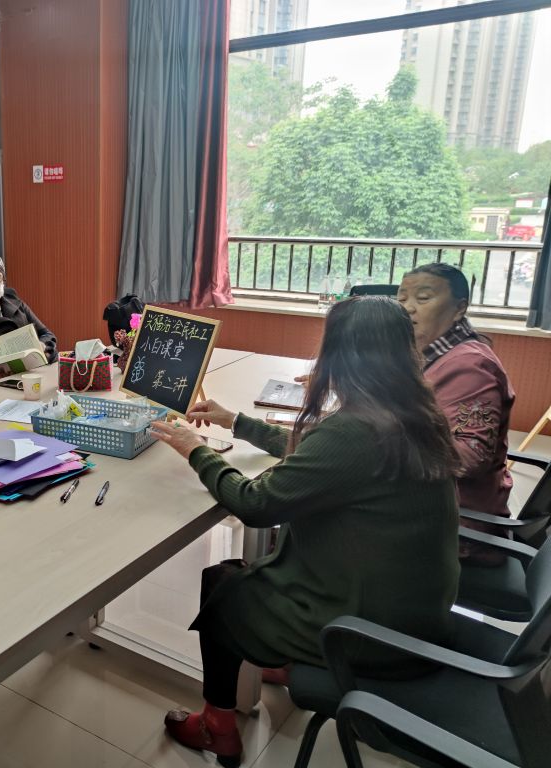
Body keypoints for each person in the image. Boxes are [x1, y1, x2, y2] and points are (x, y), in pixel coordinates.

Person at [150, 297, 460, 766]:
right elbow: (320, 453)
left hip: (369, 633)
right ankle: (280, 661)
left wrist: (197, 450)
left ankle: (218, 725)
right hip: (416, 616)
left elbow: (254, 504)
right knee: (247, 575)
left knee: (224, 587)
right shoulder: (415, 413)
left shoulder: (355, 430)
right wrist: (237, 422)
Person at [397, 262, 515, 565]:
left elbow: (469, 457)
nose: (408, 308)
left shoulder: (470, 366)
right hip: (429, 503)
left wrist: (382, 437)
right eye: (402, 299)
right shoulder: (433, 354)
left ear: (459, 308)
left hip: (453, 527)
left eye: (423, 298)